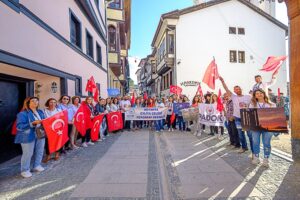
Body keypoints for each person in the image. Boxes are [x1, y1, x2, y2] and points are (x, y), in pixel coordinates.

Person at [219, 76, 253, 154]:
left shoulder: (248, 96)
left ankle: (253, 151)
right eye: (236, 89)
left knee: (250, 135)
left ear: (241, 89)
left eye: (239, 89)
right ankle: (244, 147)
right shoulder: (233, 97)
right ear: (234, 91)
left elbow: (254, 105)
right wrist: (222, 81)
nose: (238, 90)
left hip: (247, 118)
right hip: (237, 118)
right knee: (240, 134)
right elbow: (226, 89)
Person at [15, 97, 46, 178]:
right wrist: (33, 123)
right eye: (33, 101)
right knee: (28, 153)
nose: (35, 102)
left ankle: (37, 165)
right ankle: (25, 170)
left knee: (40, 150)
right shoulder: (22, 114)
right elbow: (19, 126)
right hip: (27, 135)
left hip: (40, 133)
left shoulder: (40, 112)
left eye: (36, 100)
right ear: (28, 103)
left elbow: (44, 121)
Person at [249, 89, 276, 167]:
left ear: (264, 94)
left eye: (261, 93)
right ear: (255, 96)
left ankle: (266, 159)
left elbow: (275, 116)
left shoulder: (272, 104)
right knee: (255, 142)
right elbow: (250, 116)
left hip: (268, 127)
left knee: (266, 143)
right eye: (257, 93)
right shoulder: (252, 104)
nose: (259, 94)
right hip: (256, 127)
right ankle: (256, 157)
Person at [43, 98, 62, 163]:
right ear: (48, 103)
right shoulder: (44, 110)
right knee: (47, 142)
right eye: (51, 102)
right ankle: (48, 155)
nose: (53, 104)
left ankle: (57, 154)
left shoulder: (59, 110)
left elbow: (62, 118)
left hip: (57, 128)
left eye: (54, 102)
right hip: (48, 128)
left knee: (57, 141)